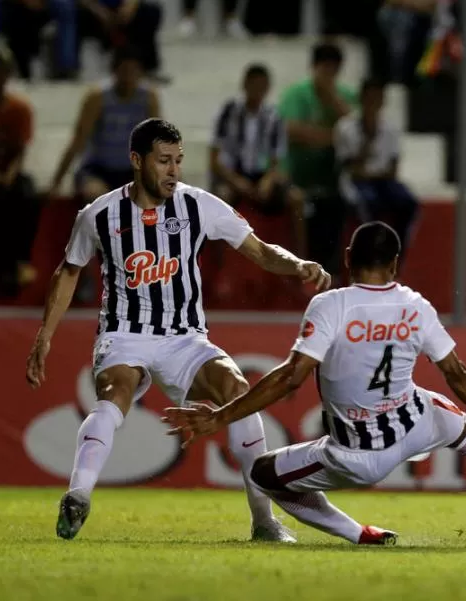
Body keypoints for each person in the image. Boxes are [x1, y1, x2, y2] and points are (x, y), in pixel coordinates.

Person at [162, 222, 466, 549]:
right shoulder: (415, 305)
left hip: (357, 454)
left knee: (263, 474)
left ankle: (356, 534)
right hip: (412, 424)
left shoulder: (331, 305)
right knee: (453, 420)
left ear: (348, 258)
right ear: (396, 264)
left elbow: (291, 377)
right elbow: (458, 373)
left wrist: (220, 417)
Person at [24, 118, 332, 543]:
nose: (174, 171)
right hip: (124, 334)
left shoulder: (198, 205)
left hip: (185, 338)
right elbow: (68, 271)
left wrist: (297, 264)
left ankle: (264, 521)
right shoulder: (98, 214)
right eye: (164, 161)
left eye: (179, 161)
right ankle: (78, 495)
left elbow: (259, 250)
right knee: (115, 393)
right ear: (136, 161)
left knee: (237, 391)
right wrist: (45, 335)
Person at [210, 64, 305, 258]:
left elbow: (276, 161)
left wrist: (268, 180)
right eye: (253, 85)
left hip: (261, 175)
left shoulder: (273, 116)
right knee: (221, 198)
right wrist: (236, 181)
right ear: (244, 85)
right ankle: (217, 263)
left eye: (262, 86)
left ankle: (300, 256)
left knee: (296, 199)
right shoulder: (228, 113)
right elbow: (214, 159)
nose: (257, 91)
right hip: (232, 174)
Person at [279, 42, 357, 278]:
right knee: (305, 208)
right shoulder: (296, 94)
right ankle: (301, 270)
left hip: (334, 178)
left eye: (333, 69)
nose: (328, 75)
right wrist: (333, 137)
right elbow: (291, 129)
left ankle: (337, 271)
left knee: (341, 209)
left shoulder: (345, 96)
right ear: (313, 67)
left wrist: (332, 100)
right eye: (324, 69)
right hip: (297, 174)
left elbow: (355, 133)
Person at [49, 46, 158, 202]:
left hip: (132, 170)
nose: (128, 78)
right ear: (115, 71)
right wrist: (56, 181)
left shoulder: (149, 97)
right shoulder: (97, 98)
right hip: (98, 169)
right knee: (97, 196)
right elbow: (78, 140)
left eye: (133, 72)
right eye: (124, 71)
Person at [335, 78, 418, 267]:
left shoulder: (390, 128)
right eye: (369, 98)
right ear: (361, 99)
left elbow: (393, 168)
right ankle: (369, 257)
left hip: (381, 180)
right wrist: (368, 137)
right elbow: (350, 168)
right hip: (355, 182)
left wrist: (374, 174)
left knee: (408, 203)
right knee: (368, 203)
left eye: (377, 98)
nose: (373, 102)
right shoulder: (345, 127)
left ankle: (396, 256)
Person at [0, 40, 38, 299]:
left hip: (5, 173)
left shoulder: (20, 108)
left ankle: (20, 261)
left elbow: (20, 150)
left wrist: (9, 175)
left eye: (2, 70)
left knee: (26, 193)